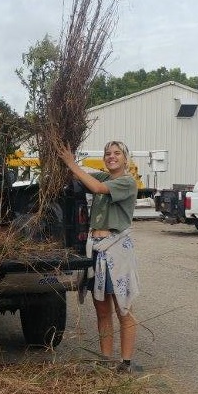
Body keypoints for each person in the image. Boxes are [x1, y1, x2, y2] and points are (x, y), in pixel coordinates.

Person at [59, 141, 139, 372]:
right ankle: (105, 360)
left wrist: (72, 163)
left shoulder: (126, 182)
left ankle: (125, 362)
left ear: (125, 158)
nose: (111, 156)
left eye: (117, 153)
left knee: (123, 308)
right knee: (101, 309)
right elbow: (78, 177)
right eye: (107, 153)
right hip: (96, 250)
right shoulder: (104, 178)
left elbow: (96, 188)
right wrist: (66, 163)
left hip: (116, 250)